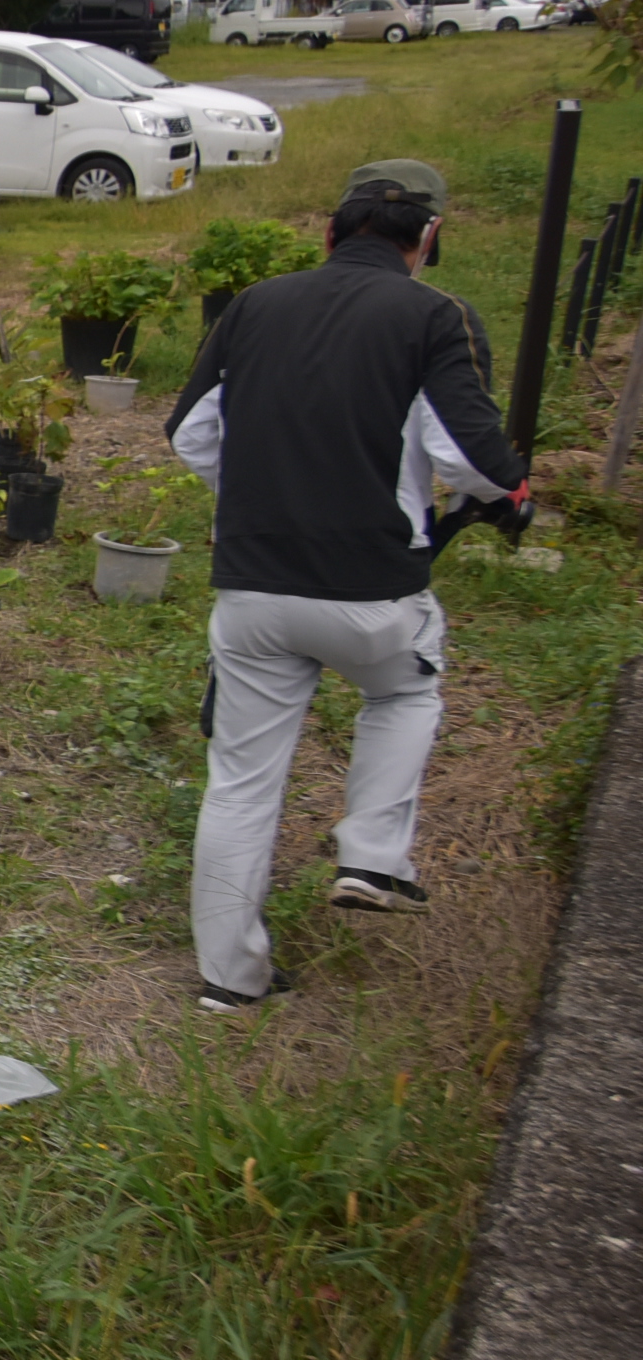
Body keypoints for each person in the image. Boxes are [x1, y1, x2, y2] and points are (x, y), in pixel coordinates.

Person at [165, 159, 527, 1011]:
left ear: (327, 233)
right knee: (405, 695)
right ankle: (370, 857)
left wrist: (252, 503)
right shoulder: (435, 316)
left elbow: (190, 432)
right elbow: (468, 458)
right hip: (372, 587)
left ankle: (230, 978)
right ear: (426, 241)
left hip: (252, 590)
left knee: (243, 782)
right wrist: (511, 494)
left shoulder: (255, 305)